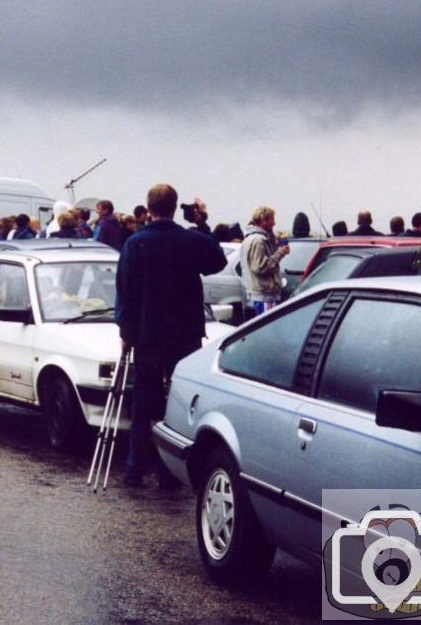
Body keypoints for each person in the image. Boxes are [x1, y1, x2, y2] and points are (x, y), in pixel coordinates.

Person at [115, 184, 227, 488]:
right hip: (184, 334)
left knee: (143, 401)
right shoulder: (190, 240)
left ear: (148, 208)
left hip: (148, 335)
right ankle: (169, 471)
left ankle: (135, 467)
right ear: (176, 207)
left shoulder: (136, 244)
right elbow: (218, 261)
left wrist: (126, 331)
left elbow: (125, 289)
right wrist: (202, 222)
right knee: (176, 403)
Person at [241, 206, 290, 316]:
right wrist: (281, 252)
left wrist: (273, 241)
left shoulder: (251, 238)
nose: (274, 223)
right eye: (272, 219)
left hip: (262, 295)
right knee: (270, 329)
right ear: (264, 221)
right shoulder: (258, 240)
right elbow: (260, 268)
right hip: (265, 296)